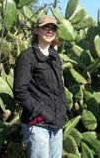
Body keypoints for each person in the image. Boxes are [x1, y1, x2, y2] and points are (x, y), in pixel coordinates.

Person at [13, 14, 67, 158]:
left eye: (53, 28)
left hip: (56, 123)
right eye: (45, 27)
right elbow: (20, 91)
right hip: (37, 124)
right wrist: (39, 111)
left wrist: (63, 110)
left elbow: (59, 88)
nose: (50, 31)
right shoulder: (28, 56)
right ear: (37, 30)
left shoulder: (55, 57)